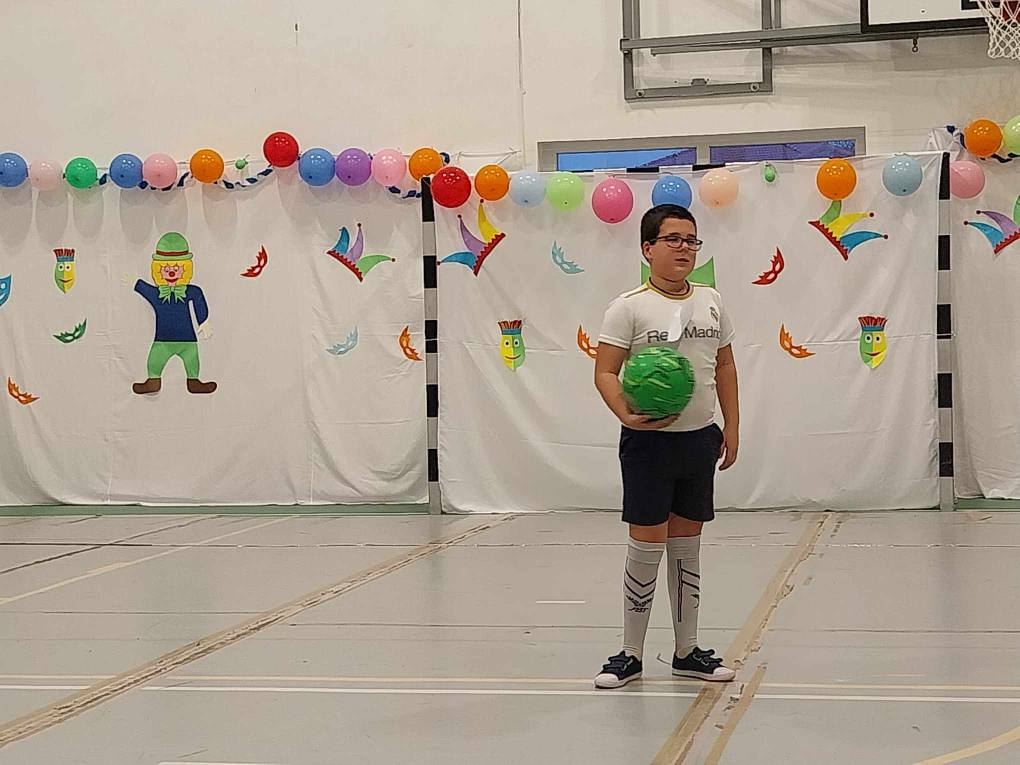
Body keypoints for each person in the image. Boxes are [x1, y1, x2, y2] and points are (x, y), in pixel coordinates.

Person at [593, 204, 739, 689]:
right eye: (673, 239)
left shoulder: (712, 301)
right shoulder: (628, 306)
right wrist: (625, 413)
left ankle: (687, 651)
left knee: (687, 546)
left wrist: (732, 427)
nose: (684, 249)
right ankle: (630, 654)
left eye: (691, 240)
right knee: (646, 542)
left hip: (699, 441)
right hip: (648, 445)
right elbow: (605, 371)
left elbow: (724, 366)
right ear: (647, 248)